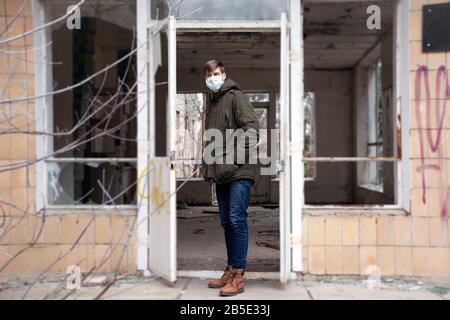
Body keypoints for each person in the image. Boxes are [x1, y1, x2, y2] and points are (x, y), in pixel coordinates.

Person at [201, 59, 259, 296]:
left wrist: (233, 160)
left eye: (216, 73)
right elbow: (212, 141)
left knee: (236, 219)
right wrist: (207, 165)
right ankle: (231, 268)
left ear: (223, 75)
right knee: (226, 221)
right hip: (222, 173)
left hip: (239, 171)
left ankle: (239, 275)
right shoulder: (213, 103)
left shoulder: (236, 97)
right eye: (208, 75)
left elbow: (253, 130)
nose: (212, 77)